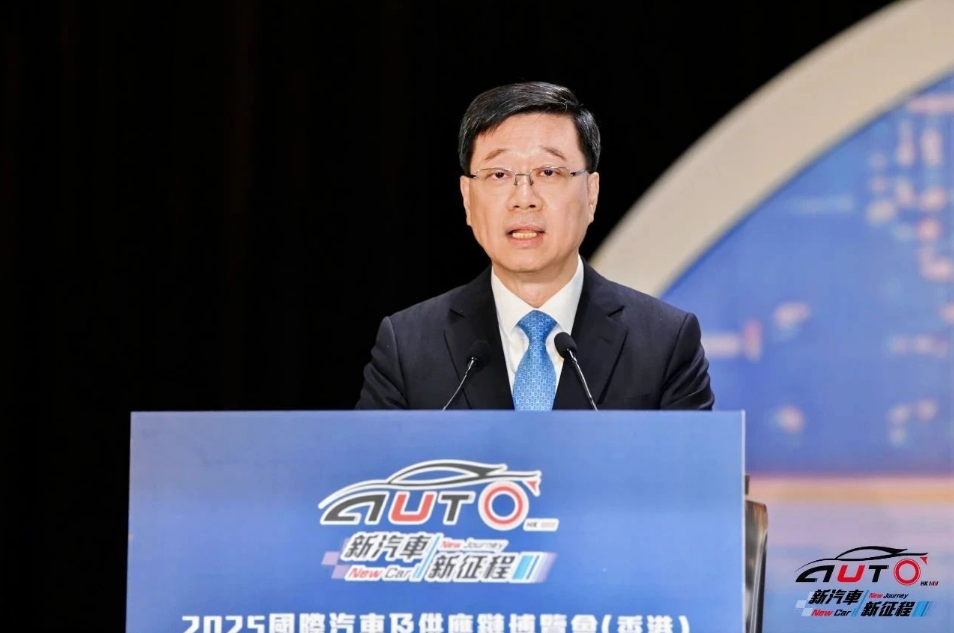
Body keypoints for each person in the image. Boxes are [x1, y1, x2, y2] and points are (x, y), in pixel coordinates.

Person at [356, 81, 714, 410]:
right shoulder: (408, 346)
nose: (523, 198)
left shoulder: (664, 342)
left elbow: (693, 461)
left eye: (549, 172)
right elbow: (372, 460)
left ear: (591, 193)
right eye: (499, 175)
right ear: (467, 198)